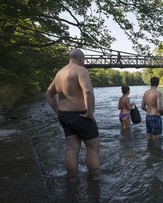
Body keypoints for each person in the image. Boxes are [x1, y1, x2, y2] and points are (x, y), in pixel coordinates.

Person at [45, 48, 101, 179]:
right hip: (81, 115)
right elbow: (87, 91)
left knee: (71, 148)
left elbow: (49, 94)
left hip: (64, 115)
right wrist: (89, 113)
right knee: (93, 146)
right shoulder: (81, 70)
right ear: (81, 59)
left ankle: (72, 178)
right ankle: (95, 178)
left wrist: (58, 110)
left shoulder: (59, 73)